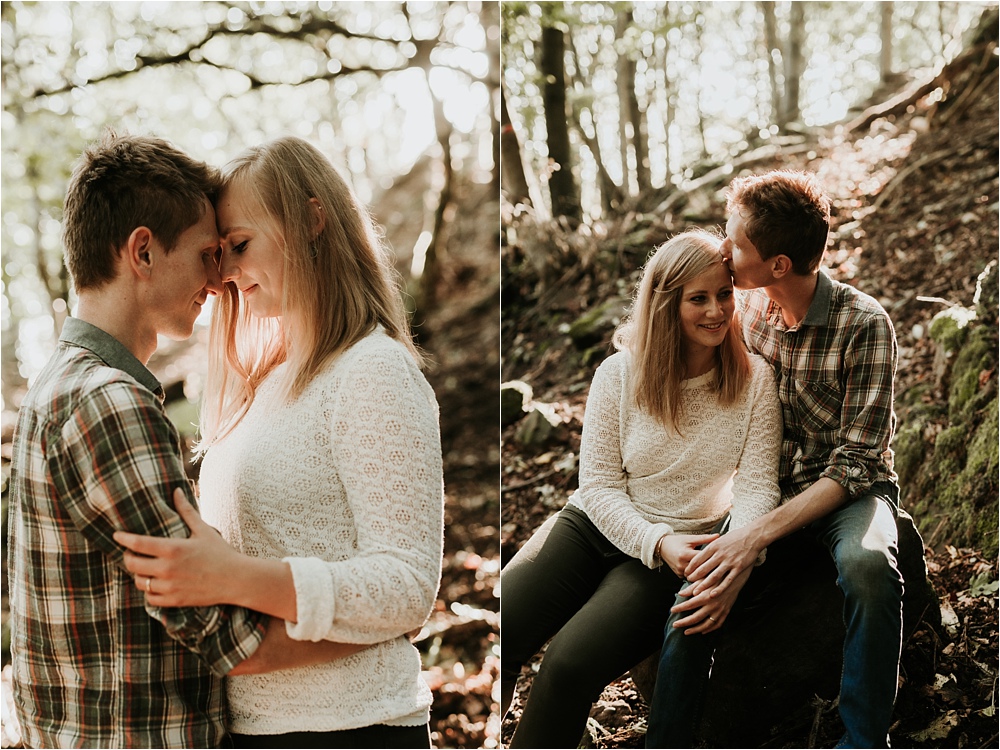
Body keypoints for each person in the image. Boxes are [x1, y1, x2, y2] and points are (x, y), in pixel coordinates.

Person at [7, 132, 362, 749]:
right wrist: (378, 625)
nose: (221, 277)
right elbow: (229, 638)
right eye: (205, 254)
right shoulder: (111, 405)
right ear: (142, 252)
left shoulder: (54, 389)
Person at [113, 136, 445, 749]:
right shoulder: (262, 381)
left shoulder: (371, 371)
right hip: (251, 726)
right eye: (218, 254)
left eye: (239, 246)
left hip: (352, 726)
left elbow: (406, 587)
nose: (225, 275)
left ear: (312, 220)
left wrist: (234, 577)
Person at [500, 230, 782, 748]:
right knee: (504, 629)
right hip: (593, 526)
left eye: (724, 294)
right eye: (698, 298)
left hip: (677, 551)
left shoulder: (755, 380)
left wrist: (728, 559)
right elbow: (600, 486)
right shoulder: (618, 374)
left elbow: (759, 487)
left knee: (567, 665)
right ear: (664, 305)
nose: (717, 311)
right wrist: (652, 538)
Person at [651, 170, 903, 749]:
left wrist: (754, 536)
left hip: (849, 496)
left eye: (735, 243)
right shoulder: (751, 314)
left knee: (867, 569)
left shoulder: (863, 324)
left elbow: (860, 461)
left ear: (779, 265)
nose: (723, 249)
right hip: (765, 490)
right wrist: (739, 534)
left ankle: (864, 740)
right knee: (697, 595)